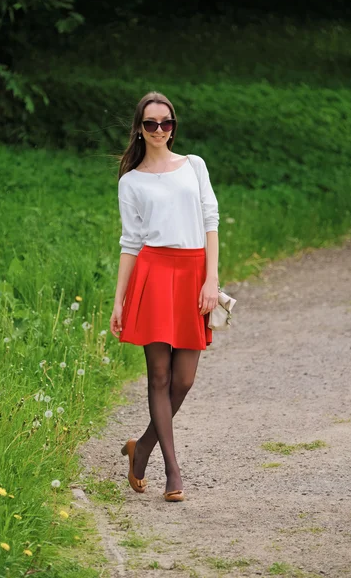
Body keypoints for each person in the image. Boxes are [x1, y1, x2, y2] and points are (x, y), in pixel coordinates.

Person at [110, 91, 220, 502]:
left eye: (166, 123)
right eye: (151, 124)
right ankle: (173, 473)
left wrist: (212, 279)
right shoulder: (131, 181)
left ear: (174, 127)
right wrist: (119, 301)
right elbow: (130, 242)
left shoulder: (194, 166)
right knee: (159, 376)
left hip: (193, 273)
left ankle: (141, 449)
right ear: (140, 128)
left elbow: (211, 219)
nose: (159, 130)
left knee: (184, 379)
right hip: (153, 274)